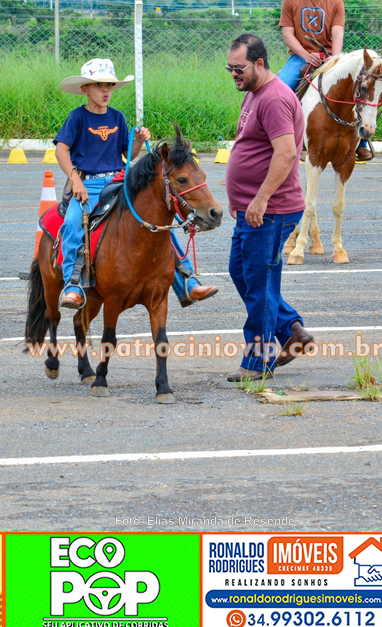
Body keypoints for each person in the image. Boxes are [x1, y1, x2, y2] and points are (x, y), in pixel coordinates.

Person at [54, 58, 217, 310]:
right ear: (85, 89)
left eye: (109, 85)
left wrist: (139, 140)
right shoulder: (77, 117)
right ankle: (73, 285)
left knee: (158, 221)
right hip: (87, 186)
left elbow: (127, 155)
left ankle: (187, 281)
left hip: (120, 183)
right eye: (99, 85)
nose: (105, 90)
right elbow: (61, 150)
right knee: (73, 223)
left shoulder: (117, 117)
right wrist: (75, 178)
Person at [225, 34, 315, 382]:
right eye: (230, 68)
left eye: (239, 68)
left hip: (270, 210)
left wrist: (260, 198)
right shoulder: (254, 93)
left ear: (259, 64)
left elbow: (287, 153)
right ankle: (291, 329)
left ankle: (257, 363)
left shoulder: (275, 98)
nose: (234, 74)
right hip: (253, 209)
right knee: (243, 273)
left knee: (259, 283)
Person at [277, 0, 371, 161]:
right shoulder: (290, 1)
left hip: (329, 55)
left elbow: (337, 34)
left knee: (357, 88)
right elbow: (287, 35)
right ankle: (283, 141)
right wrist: (306, 56)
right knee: (279, 90)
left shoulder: (336, 2)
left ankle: (361, 141)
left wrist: (334, 59)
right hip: (300, 57)